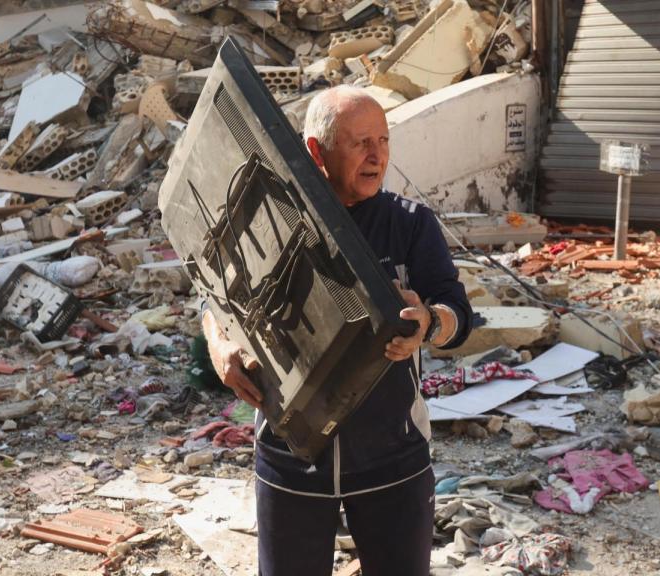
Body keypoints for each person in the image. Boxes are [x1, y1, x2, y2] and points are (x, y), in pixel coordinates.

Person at [201, 85, 472, 576]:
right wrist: (221, 345)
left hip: (392, 456)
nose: (377, 156)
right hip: (290, 455)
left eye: (383, 141)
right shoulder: (271, 214)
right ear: (315, 151)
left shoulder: (410, 224)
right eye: (360, 142)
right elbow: (215, 297)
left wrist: (429, 323)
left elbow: (458, 313)